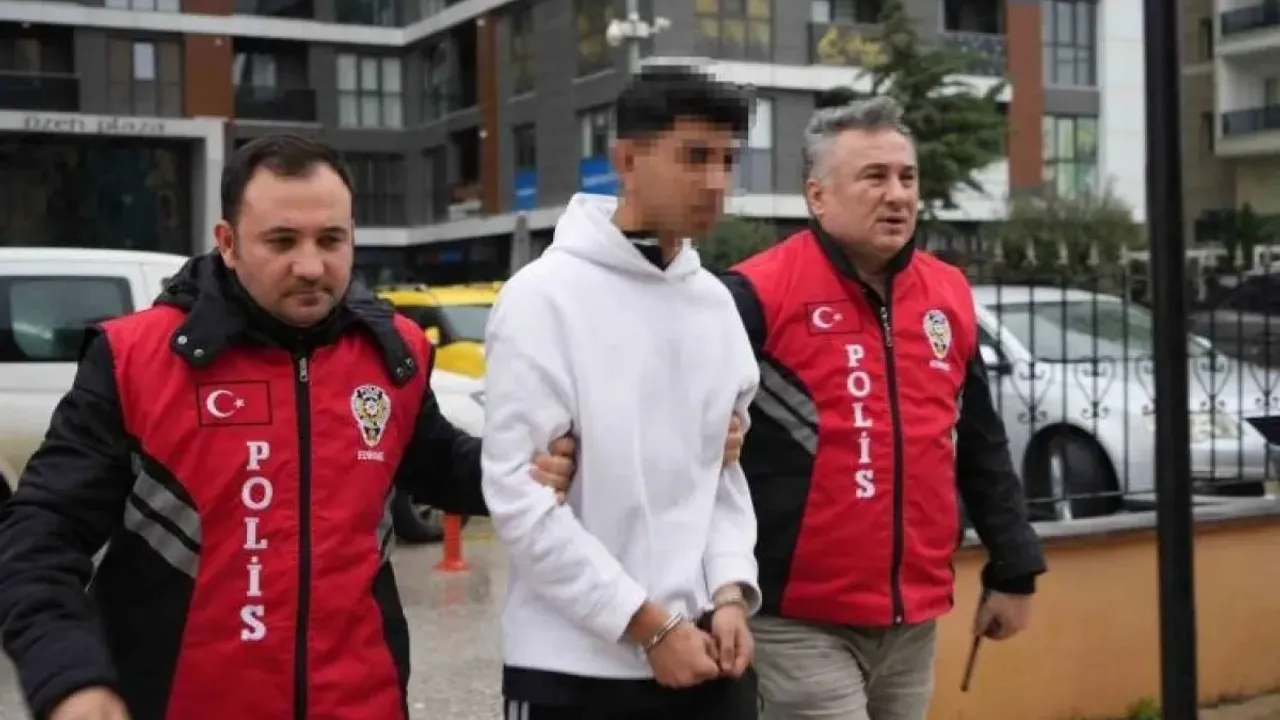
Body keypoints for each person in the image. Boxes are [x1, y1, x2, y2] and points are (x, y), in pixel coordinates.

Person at [0, 134, 581, 720]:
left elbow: (434, 463)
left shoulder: (393, 353)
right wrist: (70, 678)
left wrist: (520, 468)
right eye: (281, 241)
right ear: (227, 243)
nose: (310, 266)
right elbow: (38, 536)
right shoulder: (135, 361)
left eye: (331, 240)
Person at [719, 96, 1047, 719]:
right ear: (817, 196)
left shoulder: (947, 294)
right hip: (794, 618)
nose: (897, 195)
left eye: (906, 177)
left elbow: (979, 443)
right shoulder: (755, 295)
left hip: (912, 620)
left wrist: (1014, 568)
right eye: (874, 177)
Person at [482, 66, 762, 720]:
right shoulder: (543, 299)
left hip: (707, 659)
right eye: (694, 157)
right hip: (574, 670)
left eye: (727, 160)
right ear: (627, 160)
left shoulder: (714, 305)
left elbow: (721, 479)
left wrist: (728, 591)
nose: (715, 182)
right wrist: (647, 627)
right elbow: (521, 501)